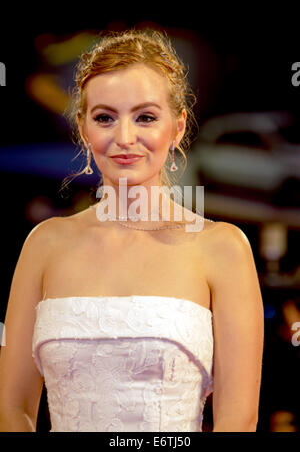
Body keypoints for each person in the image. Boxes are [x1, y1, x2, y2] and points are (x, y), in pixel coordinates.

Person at [0, 29, 264, 432]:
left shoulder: (222, 248)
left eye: (145, 117)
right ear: (85, 130)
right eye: (105, 117)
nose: (125, 139)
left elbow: (239, 420)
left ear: (176, 129)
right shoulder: (44, 244)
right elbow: (13, 411)